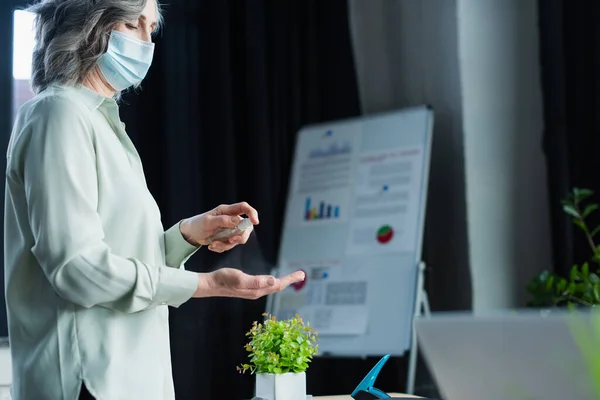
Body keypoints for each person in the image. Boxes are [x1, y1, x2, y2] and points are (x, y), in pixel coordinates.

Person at [3, 0, 305, 399]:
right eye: (133, 23)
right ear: (89, 26)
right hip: (87, 382)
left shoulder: (101, 122)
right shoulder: (58, 114)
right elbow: (78, 270)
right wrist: (205, 284)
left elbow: (120, 260)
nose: (148, 41)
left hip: (130, 378)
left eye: (151, 27)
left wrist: (188, 235)